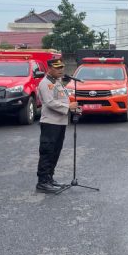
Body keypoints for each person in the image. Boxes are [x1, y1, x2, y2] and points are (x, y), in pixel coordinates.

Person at [36, 58, 78, 193]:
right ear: (50, 69)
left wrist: (73, 108)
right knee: (47, 151)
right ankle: (42, 182)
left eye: (62, 67)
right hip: (50, 123)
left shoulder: (57, 82)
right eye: (57, 68)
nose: (61, 70)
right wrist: (68, 107)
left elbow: (61, 99)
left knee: (55, 151)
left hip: (60, 122)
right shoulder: (45, 83)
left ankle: (49, 178)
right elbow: (49, 102)